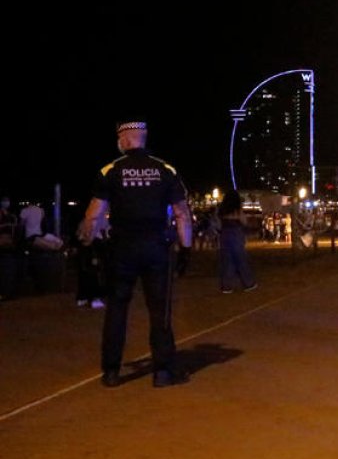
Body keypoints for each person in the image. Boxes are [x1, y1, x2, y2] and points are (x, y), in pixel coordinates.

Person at [82, 116, 193, 388]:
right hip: (157, 248)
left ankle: (111, 371)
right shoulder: (165, 169)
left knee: (117, 309)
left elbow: (94, 215)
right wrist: (186, 248)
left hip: (122, 249)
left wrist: (88, 245)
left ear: (124, 140)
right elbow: (182, 214)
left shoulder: (111, 170)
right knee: (160, 311)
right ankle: (163, 372)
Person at [217, 190, 257, 293]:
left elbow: (218, 225)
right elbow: (244, 222)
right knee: (241, 259)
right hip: (236, 234)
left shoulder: (222, 211)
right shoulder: (238, 210)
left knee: (227, 260)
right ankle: (248, 283)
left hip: (225, 234)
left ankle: (226, 286)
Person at [74, 215, 110, 309]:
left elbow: (79, 233)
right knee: (95, 271)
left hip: (85, 245)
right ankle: (95, 297)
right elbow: (106, 234)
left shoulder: (86, 218)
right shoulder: (100, 219)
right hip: (94, 245)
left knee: (85, 271)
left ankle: (83, 297)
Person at [0, 196, 19, 300]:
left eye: (7, 201)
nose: (6, 203)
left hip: (9, 244)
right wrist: (6, 225)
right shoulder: (2, 214)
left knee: (8, 268)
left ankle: (8, 292)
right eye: (4, 201)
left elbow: (15, 228)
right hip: (2, 242)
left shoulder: (11, 215)